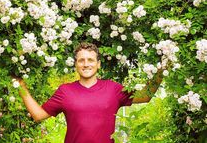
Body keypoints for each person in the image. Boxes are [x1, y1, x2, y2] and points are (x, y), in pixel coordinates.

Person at [17, 42, 163, 143]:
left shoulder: (113, 89)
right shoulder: (65, 91)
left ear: (98, 64)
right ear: (76, 65)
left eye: (90, 60)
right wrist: (20, 85)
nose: (86, 64)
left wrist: (162, 69)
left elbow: (145, 96)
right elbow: (38, 115)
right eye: (81, 60)